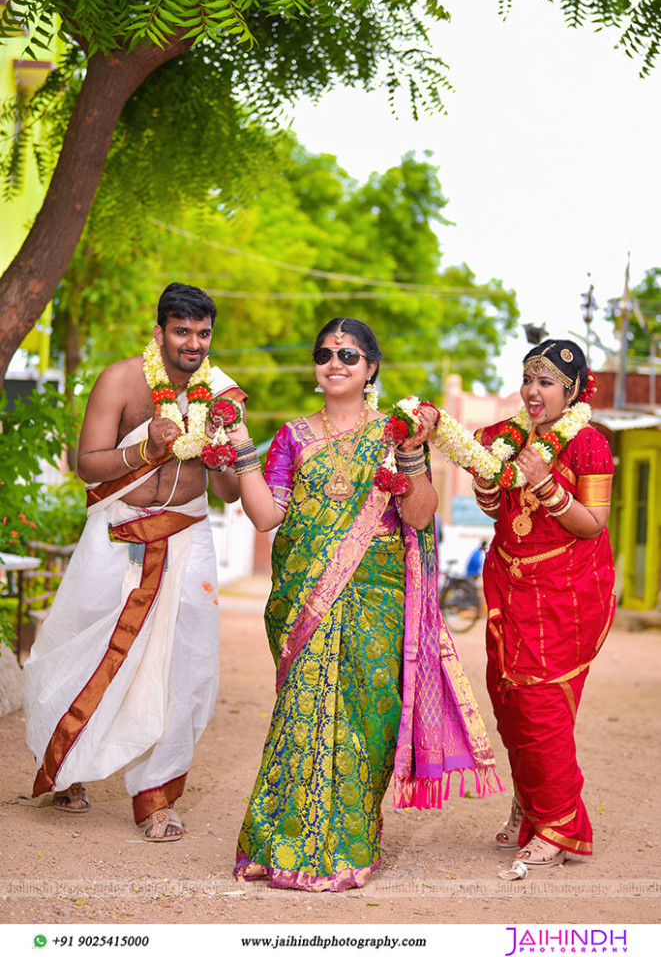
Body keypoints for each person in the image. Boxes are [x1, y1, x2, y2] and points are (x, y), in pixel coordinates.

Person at [230, 317, 500, 891]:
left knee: (367, 719)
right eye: (325, 353)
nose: (335, 363)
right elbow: (265, 516)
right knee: (300, 716)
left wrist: (409, 454)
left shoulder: (397, 431)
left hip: (376, 596)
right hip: (306, 597)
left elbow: (420, 515)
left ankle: (350, 845)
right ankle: (280, 847)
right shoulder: (292, 437)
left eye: (349, 355)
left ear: (370, 367)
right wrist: (241, 450)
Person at [23, 283, 246, 842]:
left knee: (189, 665)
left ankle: (157, 797)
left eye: (203, 333)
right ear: (159, 332)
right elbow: (87, 465)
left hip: (189, 534)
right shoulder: (120, 381)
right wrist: (146, 448)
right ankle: (71, 766)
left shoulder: (221, 394)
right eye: (182, 332)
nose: (193, 343)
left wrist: (223, 449)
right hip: (118, 531)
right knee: (86, 647)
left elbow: (228, 494)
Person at [472, 339, 615, 868]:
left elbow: (592, 524)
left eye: (547, 382)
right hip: (509, 586)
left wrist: (544, 481)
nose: (533, 392)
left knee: (541, 708)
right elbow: (495, 508)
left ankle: (559, 826)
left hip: (566, 596)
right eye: (528, 379)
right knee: (509, 703)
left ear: (573, 391)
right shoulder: (504, 438)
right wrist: (490, 477)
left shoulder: (589, 446)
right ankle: (529, 804)